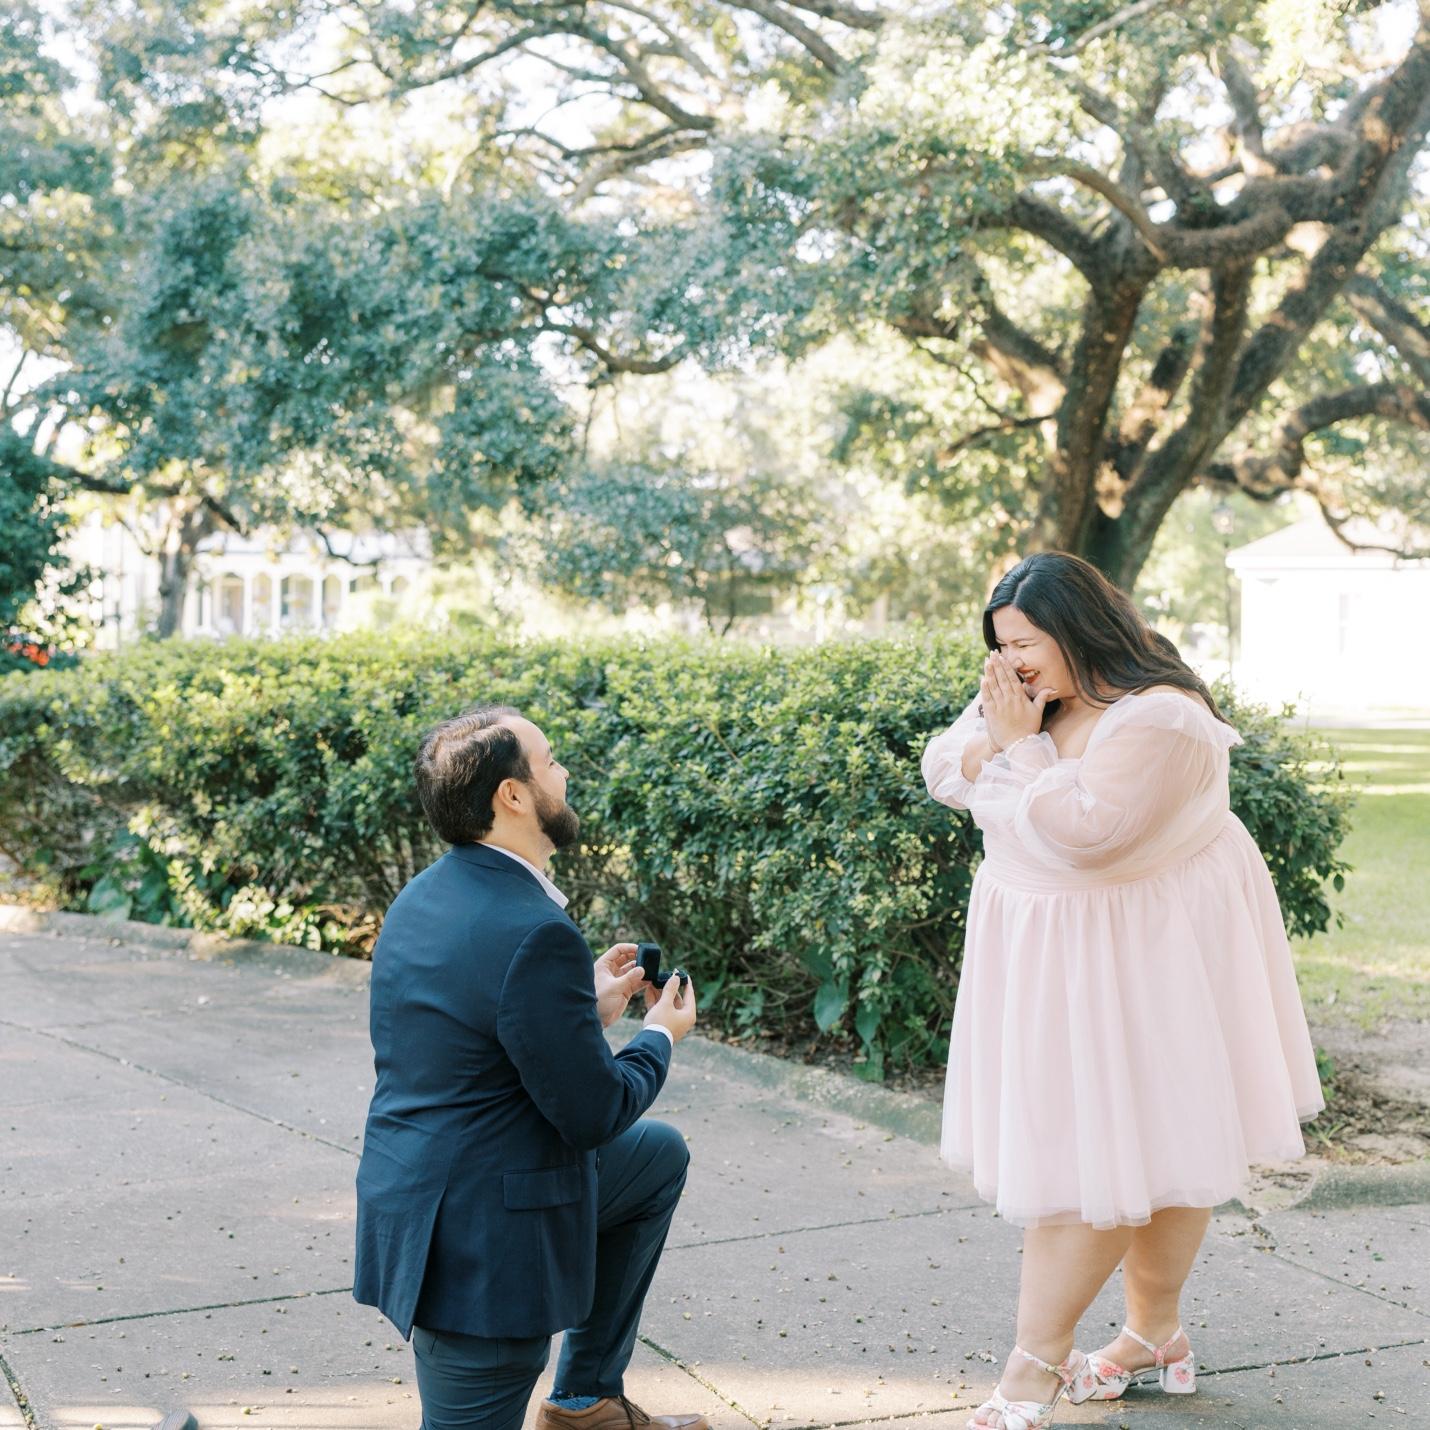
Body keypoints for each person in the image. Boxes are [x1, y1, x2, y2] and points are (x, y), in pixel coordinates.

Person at [920, 552, 1323, 1430]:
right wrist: (1007, 746)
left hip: (1142, 946)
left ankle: (1035, 1366)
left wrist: (1016, 754)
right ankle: (1157, 1335)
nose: (1011, 664)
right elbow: (946, 770)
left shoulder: (1162, 721)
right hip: (1056, 948)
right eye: (1002, 646)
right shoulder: (1033, 699)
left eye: (1026, 642)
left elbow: (1084, 833)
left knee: (1104, 1151)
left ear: (1079, 629)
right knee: (1135, 1142)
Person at [353, 704, 705, 1430]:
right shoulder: (533, 931)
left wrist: (587, 1005)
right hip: (482, 1238)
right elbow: (595, 1112)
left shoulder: (426, 896)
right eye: (549, 762)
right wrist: (659, 1035)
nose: (563, 771)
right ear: (511, 796)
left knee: (655, 1158)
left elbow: (474, 1038)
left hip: (418, 1188)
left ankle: (584, 1402)